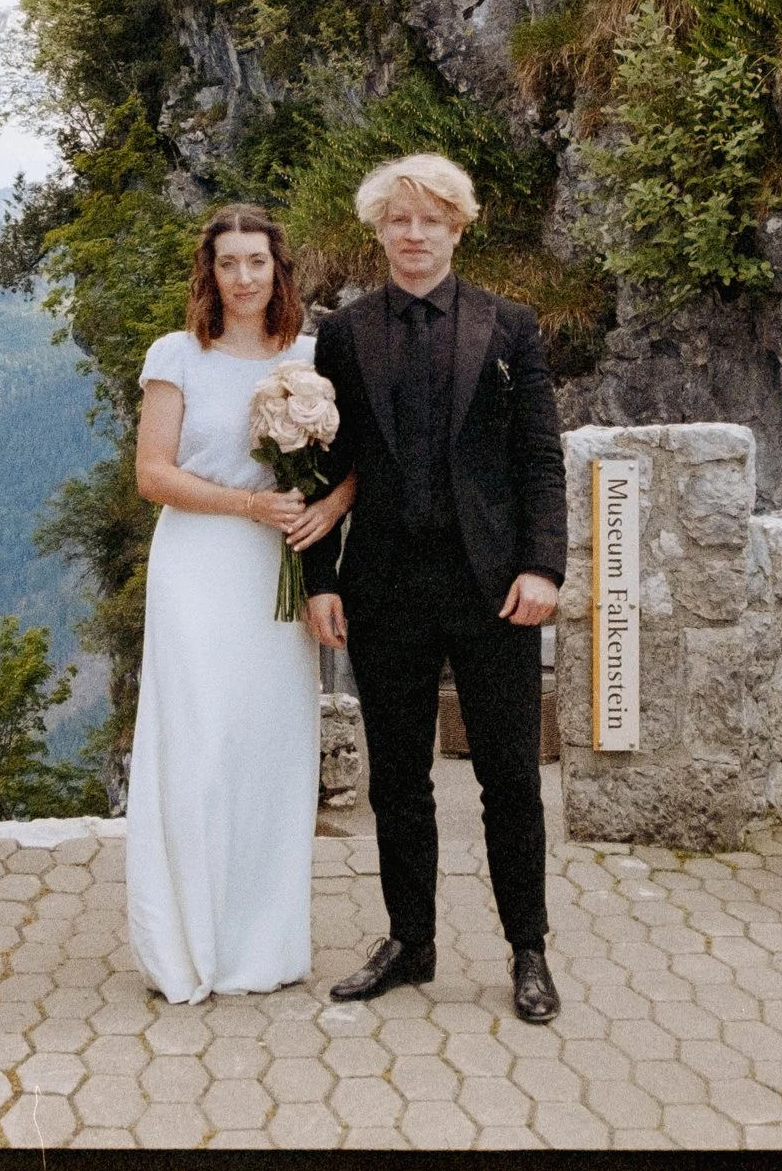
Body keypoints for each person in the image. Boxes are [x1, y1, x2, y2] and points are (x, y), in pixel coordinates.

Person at [301, 154, 568, 1024]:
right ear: (378, 229)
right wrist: (319, 579)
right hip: (384, 586)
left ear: (459, 227)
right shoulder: (342, 333)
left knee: (508, 778)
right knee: (400, 783)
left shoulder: (510, 327)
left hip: (493, 587)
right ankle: (410, 941)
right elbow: (324, 468)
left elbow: (539, 459)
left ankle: (527, 948)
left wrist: (544, 567)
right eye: (398, 219)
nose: (413, 234)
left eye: (431, 219)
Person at [125, 204, 356, 1002]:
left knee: (269, 751)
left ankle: (265, 944)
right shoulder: (177, 355)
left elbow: (355, 460)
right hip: (197, 564)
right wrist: (249, 505)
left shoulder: (314, 356)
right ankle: (189, 942)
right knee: (198, 750)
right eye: (229, 263)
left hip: (277, 571)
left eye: (257, 261)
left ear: (279, 267)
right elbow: (153, 473)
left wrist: (323, 505)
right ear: (210, 272)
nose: (245, 277)